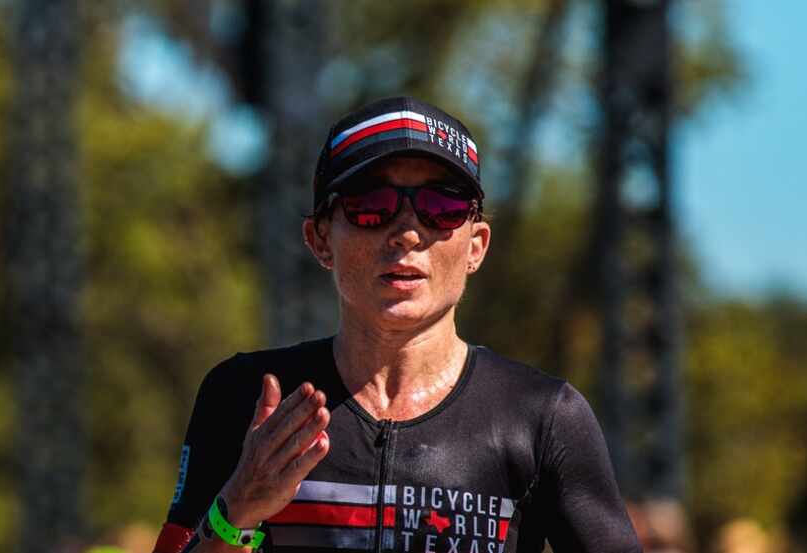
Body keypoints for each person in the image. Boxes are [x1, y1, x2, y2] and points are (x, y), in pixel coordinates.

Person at [151, 96, 642, 553]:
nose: (406, 232)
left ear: (476, 245)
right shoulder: (247, 398)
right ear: (320, 239)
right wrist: (235, 510)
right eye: (370, 206)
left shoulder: (542, 417)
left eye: (441, 208)